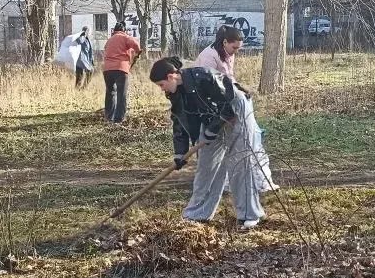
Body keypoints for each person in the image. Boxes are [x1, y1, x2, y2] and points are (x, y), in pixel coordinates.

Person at [149, 57, 266, 229]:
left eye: (161, 84)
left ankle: (249, 214)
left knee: (239, 163)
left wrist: (213, 129)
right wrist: (180, 153)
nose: (162, 89)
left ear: (170, 76)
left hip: (236, 110)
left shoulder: (204, 76)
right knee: (206, 165)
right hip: (212, 118)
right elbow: (179, 122)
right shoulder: (175, 93)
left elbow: (227, 104)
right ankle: (197, 214)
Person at [195, 26, 277, 192]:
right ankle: (218, 181)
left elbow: (228, 79)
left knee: (248, 139)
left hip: (228, 102)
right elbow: (207, 88)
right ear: (225, 42)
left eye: (239, 48)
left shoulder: (228, 53)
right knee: (218, 144)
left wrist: (239, 89)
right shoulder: (208, 57)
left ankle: (258, 179)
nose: (236, 51)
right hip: (210, 107)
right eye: (234, 47)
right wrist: (225, 111)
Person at [102, 22, 141, 124]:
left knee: (110, 93)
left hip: (107, 70)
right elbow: (136, 44)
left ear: (114, 30)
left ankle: (109, 117)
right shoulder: (125, 37)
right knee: (121, 93)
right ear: (124, 30)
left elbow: (105, 50)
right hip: (120, 69)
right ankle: (119, 119)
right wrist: (138, 51)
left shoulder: (109, 40)